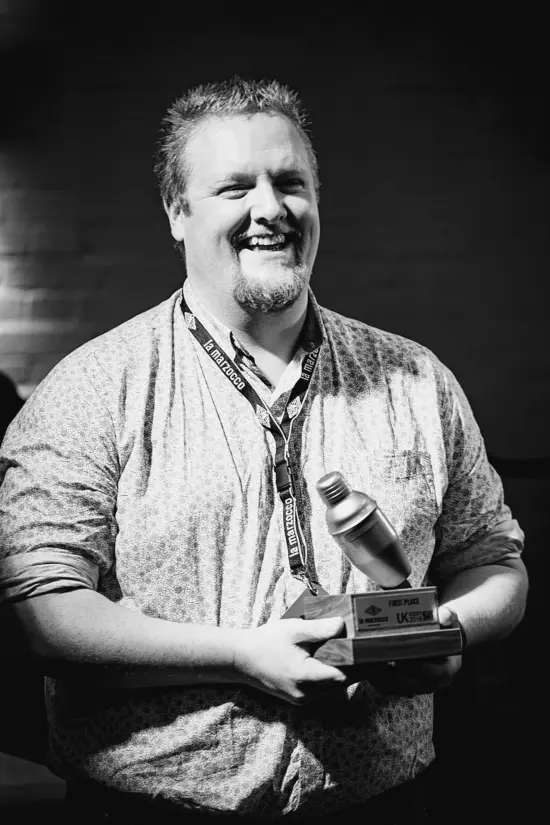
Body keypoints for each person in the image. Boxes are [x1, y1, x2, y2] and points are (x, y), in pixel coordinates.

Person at [0, 77, 527, 823]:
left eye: (290, 183)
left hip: (384, 802)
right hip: (150, 810)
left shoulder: (418, 380)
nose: (270, 209)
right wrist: (242, 655)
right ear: (177, 212)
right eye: (234, 188)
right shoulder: (92, 387)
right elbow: (44, 614)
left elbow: (495, 561)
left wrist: (447, 633)